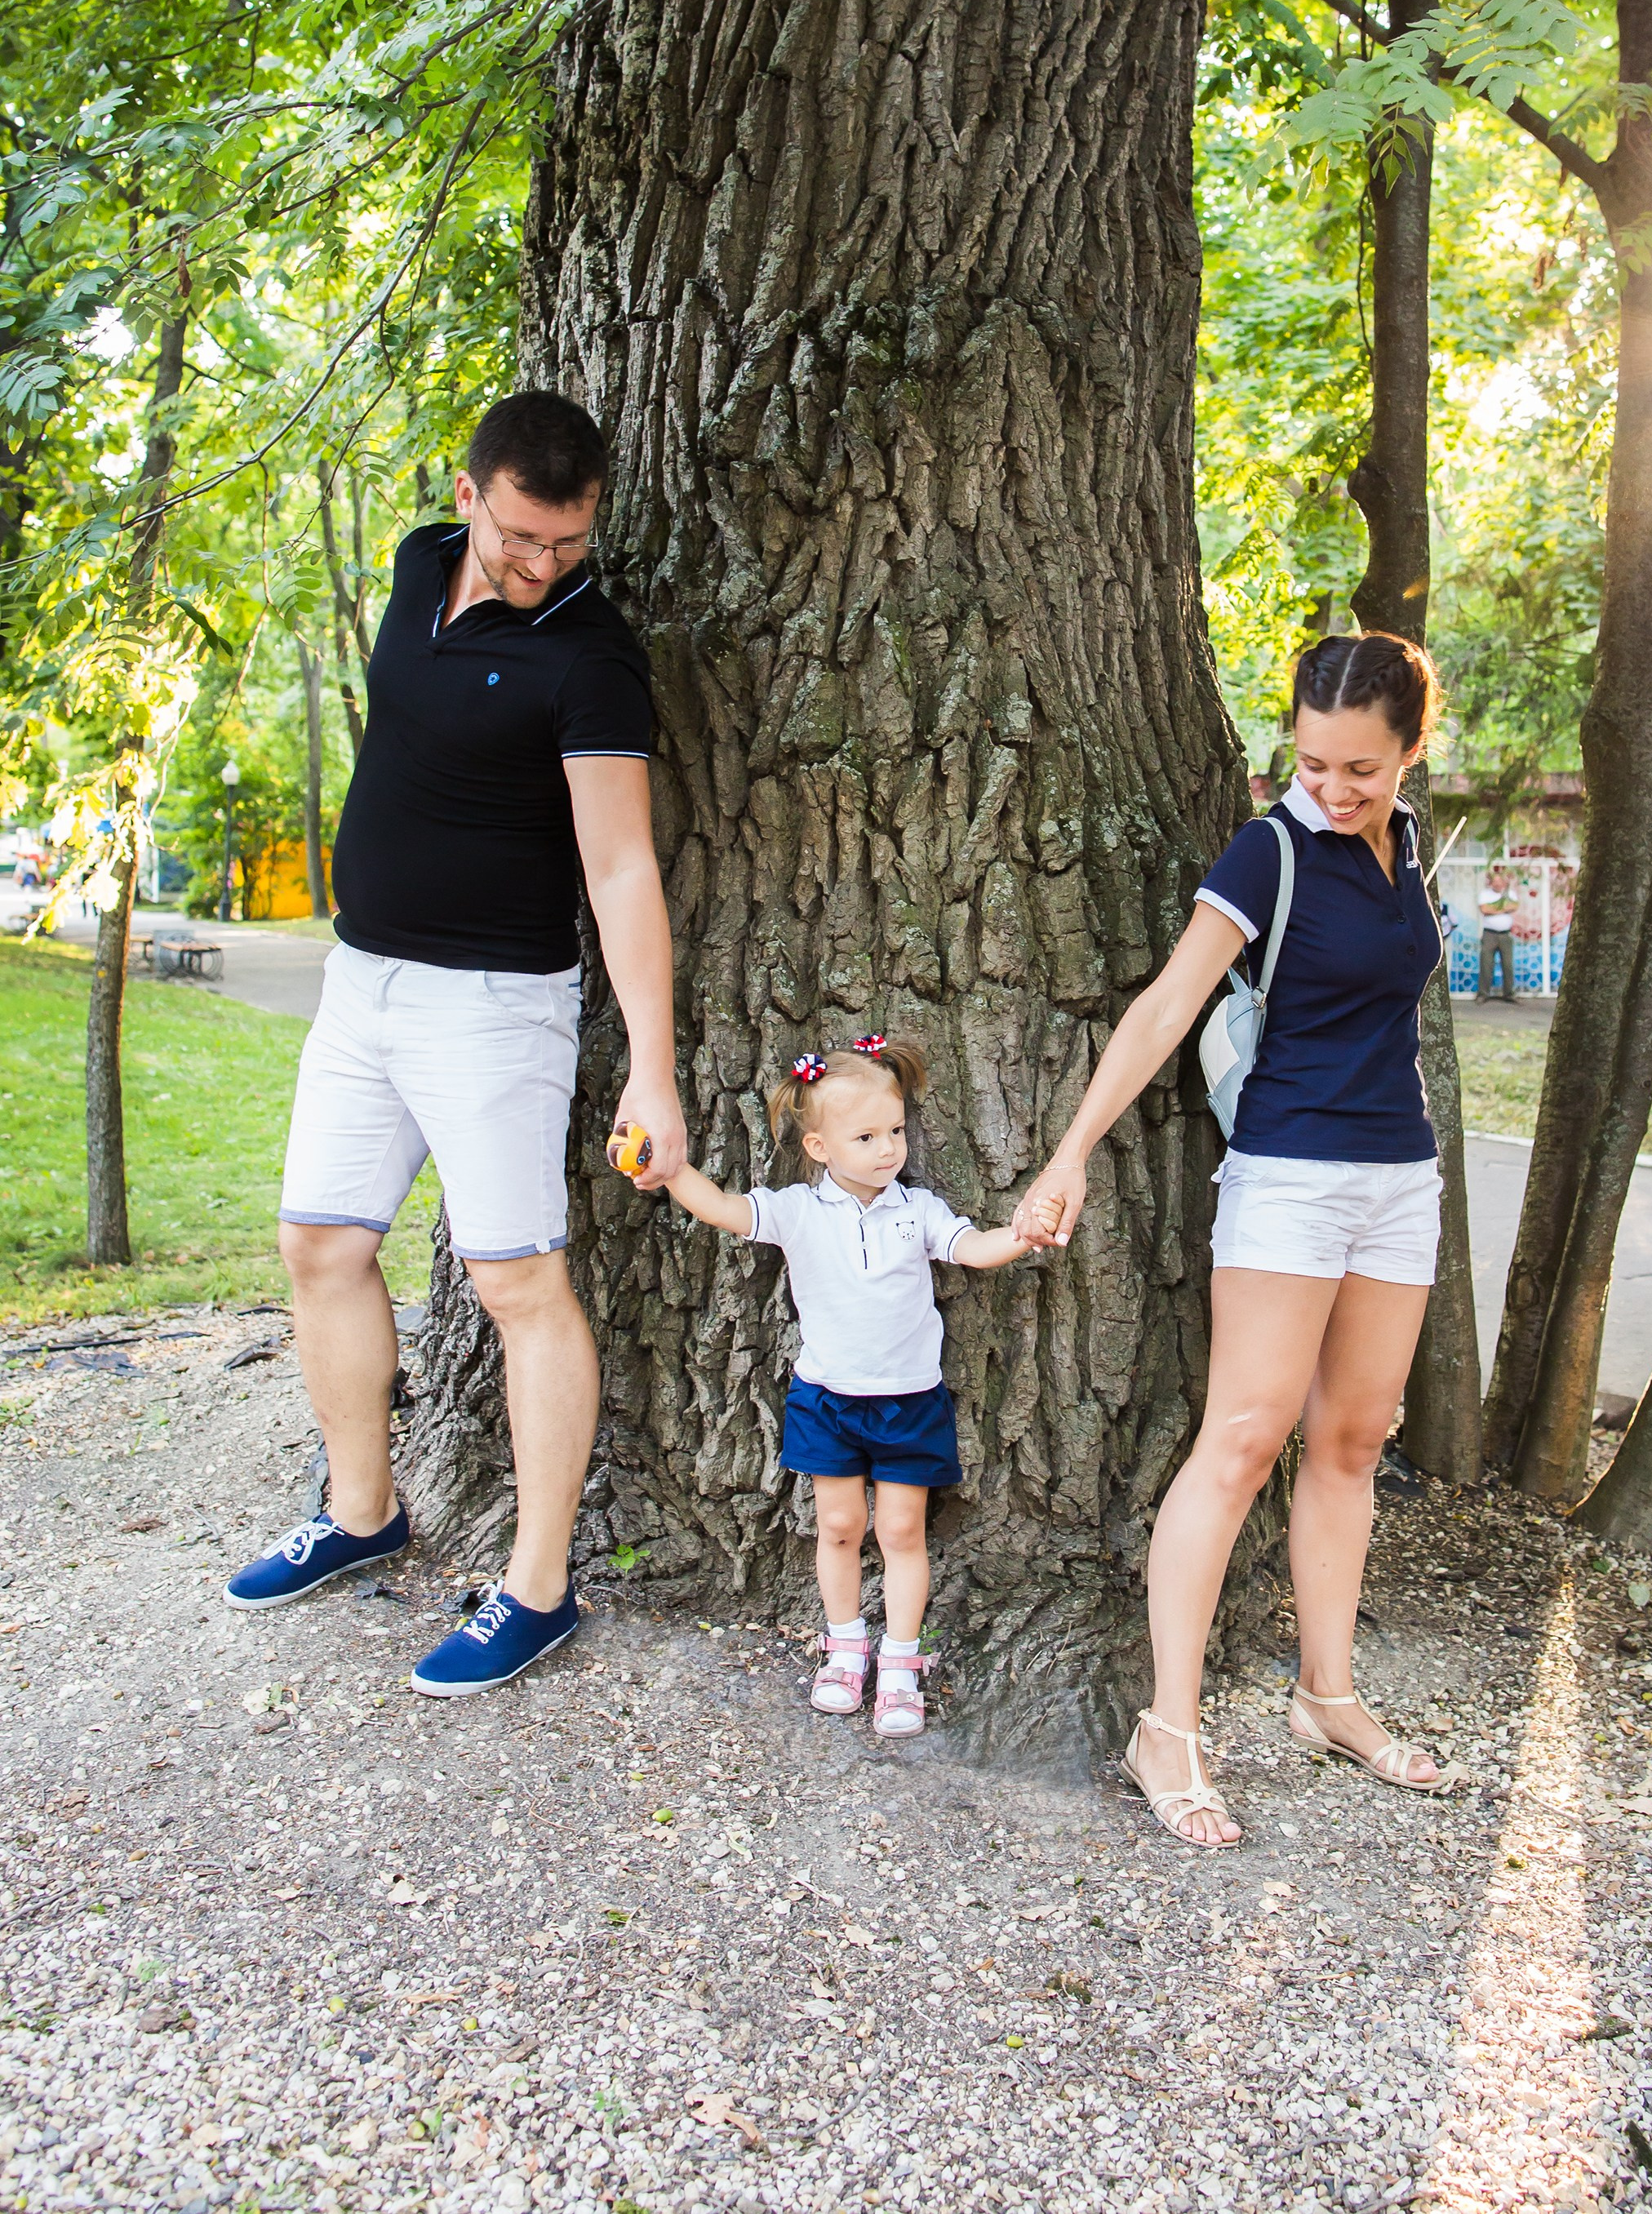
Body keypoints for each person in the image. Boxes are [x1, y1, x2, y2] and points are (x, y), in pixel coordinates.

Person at [224, 389, 687, 1696]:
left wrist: (651, 1065)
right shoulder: (420, 559)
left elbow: (621, 864)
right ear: (469, 491)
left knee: (517, 1287)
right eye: (522, 535)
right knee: (320, 1242)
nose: (542, 564)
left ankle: (538, 1588)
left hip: (494, 1008)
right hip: (361, 985)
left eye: (568, 542)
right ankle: (361, 1510)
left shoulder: (590, 655)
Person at [1014, 632, 1456, 1847]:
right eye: (1312, 760)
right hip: (1288, 1178)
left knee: (1354, 1439)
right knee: (1245, 1436)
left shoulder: (1406, 844)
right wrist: (1070, 1150)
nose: (1332, 786)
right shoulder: (1267, 849)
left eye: (1361, 766)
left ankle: (1328, 1697)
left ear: (1410, 749)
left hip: (1395, 1177)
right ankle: (1168, 1726)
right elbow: (1168, 1002)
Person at [642, 1035, 1061, 1737]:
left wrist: (1024, 1232)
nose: (888, 1148)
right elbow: (720, 1209)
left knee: (900, 1530)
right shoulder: (798, 1212)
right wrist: (670, 1169)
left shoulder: (917, 1210)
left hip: (908, 1399)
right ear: (819, 1148)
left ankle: (900, 1663)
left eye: (895, 1130)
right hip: (828, 1400)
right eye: (866, 1136)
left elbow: (974, 1250)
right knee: (838, 1527)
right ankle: (844, 1649)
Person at [1476, 875, 1517, 1001]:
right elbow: (1484, 909)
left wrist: (1494, 909)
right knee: (1486, 964)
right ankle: (1483, 994)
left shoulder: (1510, 894)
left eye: (1500, 881)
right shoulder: (1485, 895)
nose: (1498, 884)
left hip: (1505, 934)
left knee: (1508, 965)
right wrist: (1502, 909)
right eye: (1495, 882)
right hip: (1489, 934)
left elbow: (1513, 906)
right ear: (1491, 883)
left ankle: (1509, 993)